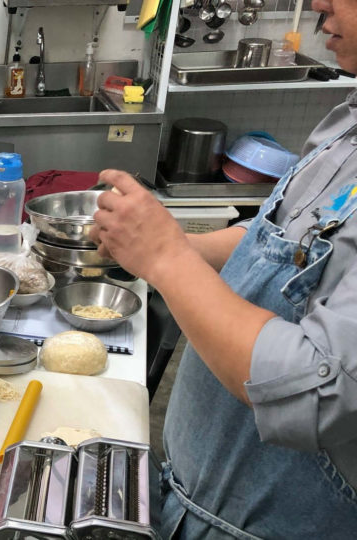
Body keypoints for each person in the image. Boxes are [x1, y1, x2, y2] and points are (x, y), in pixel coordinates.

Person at [91, 1, 357, 537]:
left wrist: (166, 257)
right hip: (195, 495)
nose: (320, 5)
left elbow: (319, 392)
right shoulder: (348, 120)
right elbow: (278, 241)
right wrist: (157, 242)